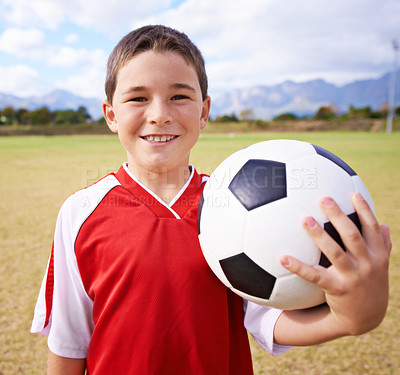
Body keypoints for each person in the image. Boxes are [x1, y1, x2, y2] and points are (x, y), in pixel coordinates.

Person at [31, 25, 391, 375]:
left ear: (204, 112)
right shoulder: (81, 211)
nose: (159, 114)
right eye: (138, 98)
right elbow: (70, 340)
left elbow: (267, 316)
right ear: (111, 114)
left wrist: (350, 316)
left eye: (179, 96)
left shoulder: (232, 209)